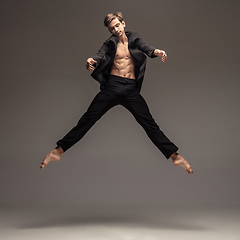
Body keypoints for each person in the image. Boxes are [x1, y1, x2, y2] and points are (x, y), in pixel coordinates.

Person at [40, 12, 193, 174]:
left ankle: (175, 156)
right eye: (112, 28)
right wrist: (91, 60)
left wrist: (157, 51)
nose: (116, 30)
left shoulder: (134, 37)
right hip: (112, 87)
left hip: (131, 89)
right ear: (110, 30)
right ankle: (58, 150)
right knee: (87, 119)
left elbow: (144, 47)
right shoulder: (110, 43)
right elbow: (100, 54)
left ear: (123, 23)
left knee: (149, 124)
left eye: (117, 25)